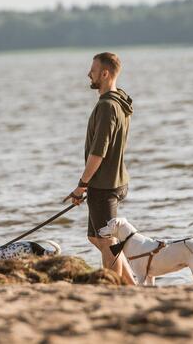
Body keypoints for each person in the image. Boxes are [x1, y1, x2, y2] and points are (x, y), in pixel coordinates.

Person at [67, 52, 136, 285]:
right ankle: (132, 285)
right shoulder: (119, 99)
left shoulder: (107, 106)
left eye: (93, 70)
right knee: (95, 238)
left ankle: (113, 288)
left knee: (106, 242)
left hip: (105, 185)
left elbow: (98, 152)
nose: (89, 73)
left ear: (105, 74)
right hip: (113, 181)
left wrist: (81, 185)